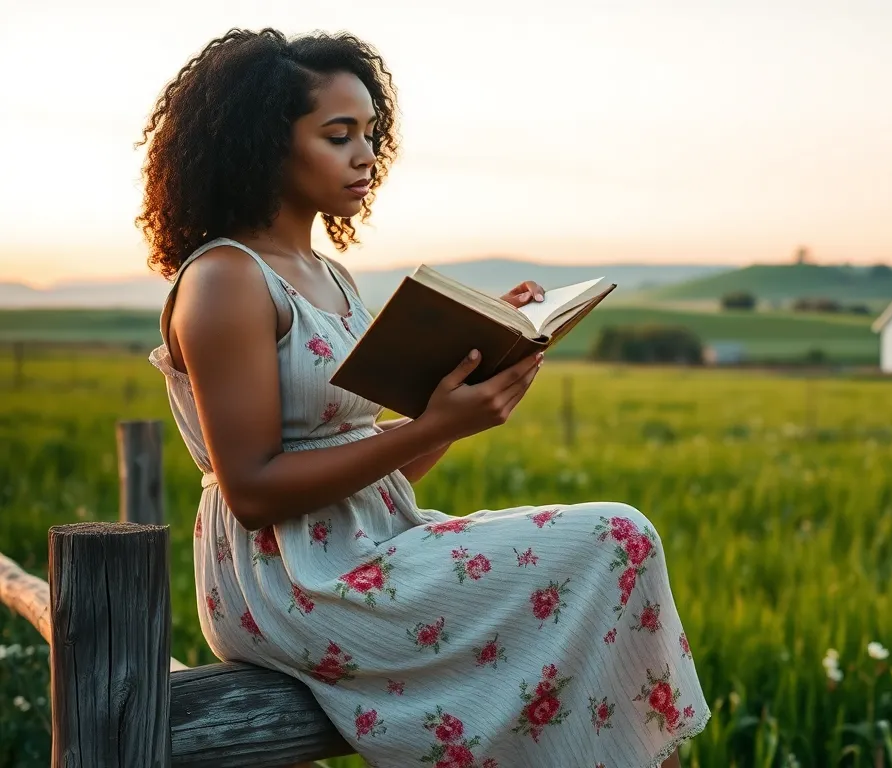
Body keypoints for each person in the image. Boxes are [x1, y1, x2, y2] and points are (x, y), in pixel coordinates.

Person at [138, 27, 708, 767]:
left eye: (370, 134)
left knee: (608, 553)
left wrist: (464, 395)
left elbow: (380, 473)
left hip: (373, 541)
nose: (365, 155)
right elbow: (251, 491)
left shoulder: (332, 277)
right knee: (615, 537)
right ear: (262, 144)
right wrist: (426, 425)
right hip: (286, 580)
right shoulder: (226, 281)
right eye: (338, 135)